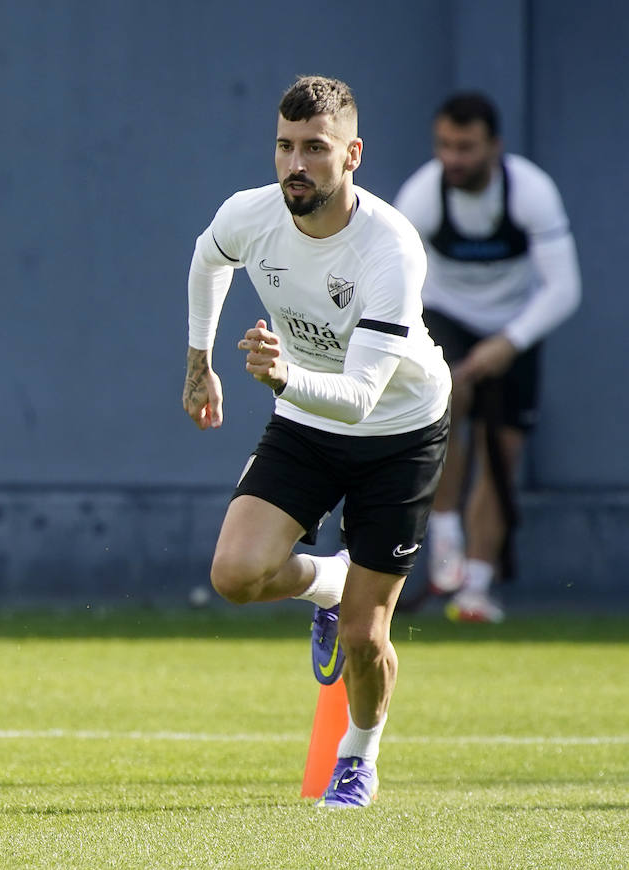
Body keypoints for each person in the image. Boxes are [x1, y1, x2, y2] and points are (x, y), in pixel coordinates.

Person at [182, 76, 451, 809]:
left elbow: (363, 398)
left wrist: (283, 375)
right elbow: (210, 260)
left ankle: (358, 756)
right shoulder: (252, 215)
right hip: (305, 418)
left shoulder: (390, 248)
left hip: (398, 432)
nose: (295, 164)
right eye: (284, 146)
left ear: (352, 154)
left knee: (366, 639)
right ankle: (328, 581)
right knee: (236, 575)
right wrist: (200, 363)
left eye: (315, 149)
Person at [394, 92, 581, 624]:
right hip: (444, 312)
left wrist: (508, 342)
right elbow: (398, 283)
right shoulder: (423, 197)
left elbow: (564, 289)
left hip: (515, 325)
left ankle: (474, 589)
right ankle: (446, 538)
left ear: (494, 147)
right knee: (447, 401)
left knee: (503, 448)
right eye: (445, 146)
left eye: (467, 147)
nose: (453, 158)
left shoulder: (532, 193)